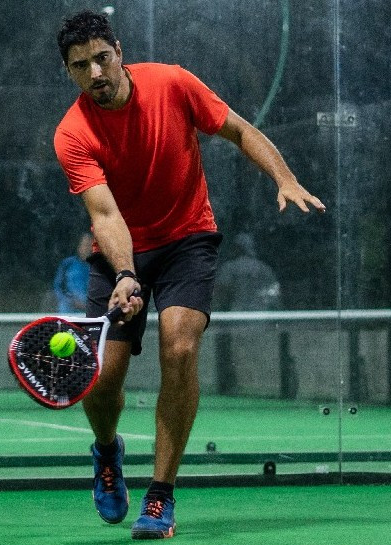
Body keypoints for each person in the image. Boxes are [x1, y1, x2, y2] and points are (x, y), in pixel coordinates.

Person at [54, 10, 326, 540]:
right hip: (119, 251)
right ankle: (107, 451)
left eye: (101, 58)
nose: (95, 73)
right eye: (80, 66)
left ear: (119, 51)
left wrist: (285, 178)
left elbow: (239, 130)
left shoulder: (173, 84)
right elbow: (105, 215)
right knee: (101, 382)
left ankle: (160, 494)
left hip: (187, 239)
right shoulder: (72, 134)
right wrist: (126, 274)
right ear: (69, 71)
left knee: (179, 348)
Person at [53, 232, 92, 313]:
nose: (87, 248)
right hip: (68, 311)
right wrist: (71, 301)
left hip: (90, 311)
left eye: (89, 245)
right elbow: (58, 287)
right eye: (84, 245)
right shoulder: (67, 264)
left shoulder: (97, 267)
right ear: (78, 246)